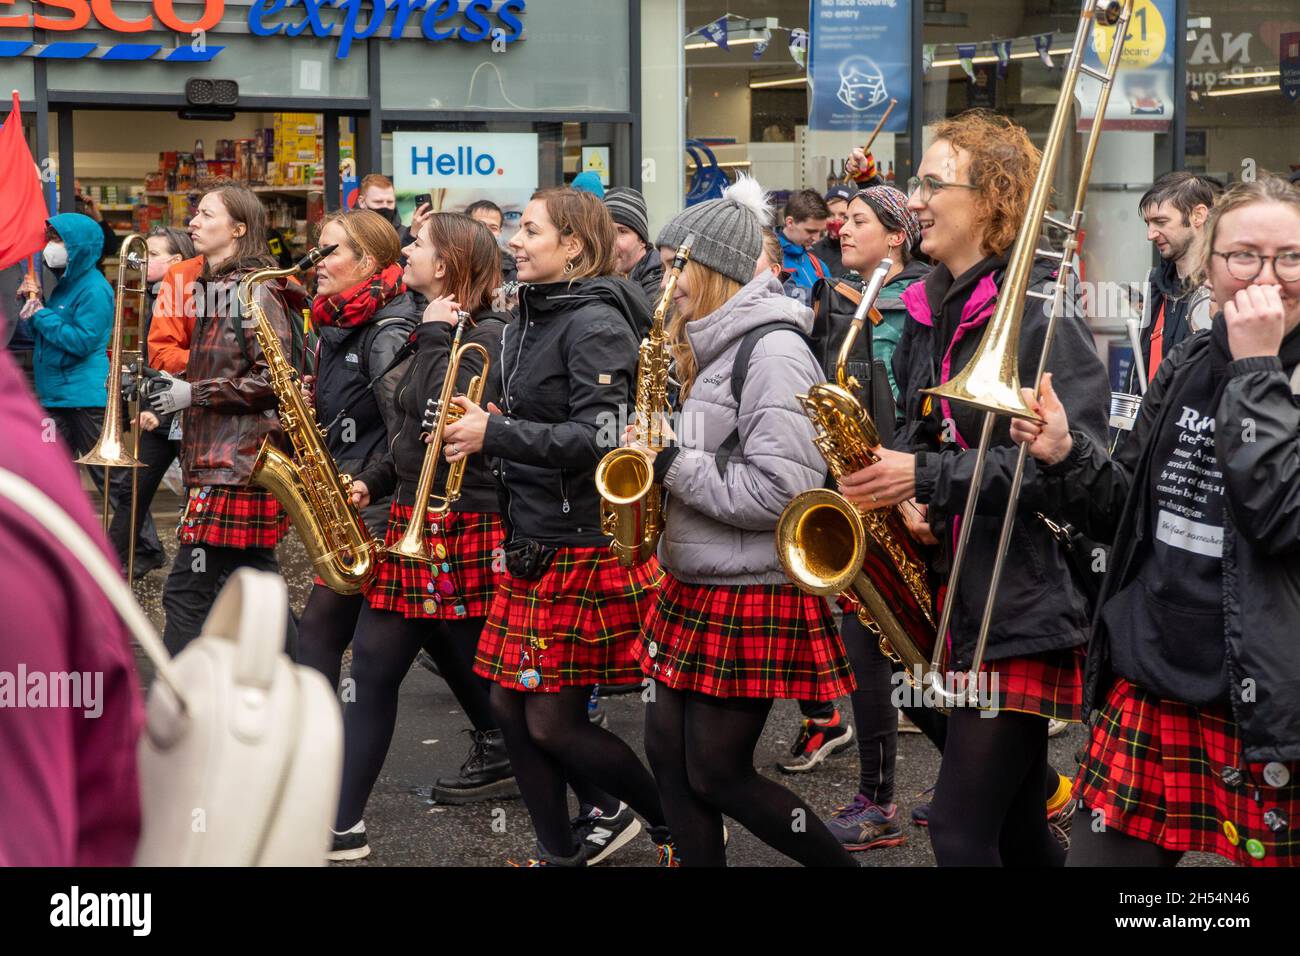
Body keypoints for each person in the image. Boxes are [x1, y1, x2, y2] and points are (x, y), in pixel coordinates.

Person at [841, 109, 1110, 866]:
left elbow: (1072, 467)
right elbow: (928, 429)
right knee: (1017, 824)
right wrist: (912, 489)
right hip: (958, 594)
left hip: (1023, 601)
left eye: (931, 182)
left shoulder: (1039, 314)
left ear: (990, 200)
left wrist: (925, 476)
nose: (913, 197)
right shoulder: (931, 303)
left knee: (959, 830)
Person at [1011, 174, 1300, 867]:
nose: (1267, 275)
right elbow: (1125, 510)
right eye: (1243, 256)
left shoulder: (1263, 367)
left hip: (1269, 696)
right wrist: (1064, 454)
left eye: (1289, 256)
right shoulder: (1191, 359)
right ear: (1209, 264)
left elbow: (1278, 518)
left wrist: (1258, 366)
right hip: (1154, 675)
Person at [628, 175, 856, 868]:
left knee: (719, 773)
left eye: (676, 267)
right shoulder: (710, 345)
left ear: (713, 270)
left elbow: (781, 490)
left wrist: (667, 463)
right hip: (698, 578)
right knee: (668, 753)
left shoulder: (775, 351)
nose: (667, 282)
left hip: (750, 588)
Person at [439, 187, 670, 866]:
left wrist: (496, 432)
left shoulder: (596, 322)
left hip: (580, 545)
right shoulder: (526, 317)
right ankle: (556, 852)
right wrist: (482, 421)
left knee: (552, 720)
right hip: (532, 537)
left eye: (530, 231)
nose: (513, 240)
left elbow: (602, 438)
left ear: (573, 245)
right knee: (510, 712)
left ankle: (666, 822)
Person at [321, 213, 511, 861]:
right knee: (372, 667)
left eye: (420, 245)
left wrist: (433, 340)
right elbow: (403, 430)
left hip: (458, 521)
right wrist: (372, 482)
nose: (407, 250)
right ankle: (342, 825)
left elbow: (435, 424)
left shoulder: (481, 334)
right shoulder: (433, 323)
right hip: (413, 516)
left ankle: (611, 801)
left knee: (505, 689)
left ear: (450, 263)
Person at [143, 182, 307, 656]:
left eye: (206, 215)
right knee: (258, 584)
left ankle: (182, 710)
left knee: (186, 594)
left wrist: (193, 392)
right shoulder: (218, 286)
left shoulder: (253, 290)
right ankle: (308, 689)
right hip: (225, 458)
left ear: (238, 229)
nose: (192, 222)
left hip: (234, 461)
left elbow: (275, 380)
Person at [0, 337, 142, 866]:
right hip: (58, 399)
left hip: (79, 395)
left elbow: (85, 338)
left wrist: (50, 319)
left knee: (123, 497)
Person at [106, 226, 197, 579]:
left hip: (186, 412)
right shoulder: (148, 296)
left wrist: (158, 408)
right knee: (132, 492)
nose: (144, 262)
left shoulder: (194, 297)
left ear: (176, 260)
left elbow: (193, 363)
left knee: (195, 501)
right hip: (155, 412)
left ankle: (199, 578)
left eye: (153, 254)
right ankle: (113, 569)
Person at [17, 214, 114, 473]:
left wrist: (39, 312)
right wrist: (30, 303)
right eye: (49, 238)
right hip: (58, 397)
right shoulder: (66, 285)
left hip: (83, 400)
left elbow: (80, 341)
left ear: (79, 246)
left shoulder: (94, 289)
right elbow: (49, 335)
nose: (51, 246)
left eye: (58, 239)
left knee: (109, 478)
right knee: (53, 473)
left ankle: (130, 516)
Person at [1132, 171, 1222, 389]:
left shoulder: (1225, 285)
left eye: (1161, 222)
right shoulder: (1155, 282)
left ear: (1198, 216)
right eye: (1148, 224)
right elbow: (1141, 368)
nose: (1150, 234)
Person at [604, 186, 663, 310]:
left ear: (642, 240)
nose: (611, 242)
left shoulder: (659, 277)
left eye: (622, 231)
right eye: (605, 231)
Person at [778, 189, 831, 306]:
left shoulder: (818, 266)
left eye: (820, 232)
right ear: (790, 222)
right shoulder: (769, 261)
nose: (816, 238)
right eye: (810, 231)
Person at [465, 199, 518, 287]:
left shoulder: (511, 273)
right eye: (480, 225)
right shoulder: (450, 263)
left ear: (500, 232)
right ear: (465, 227)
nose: (487, 232)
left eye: (493, 228)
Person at [809, 183, 856, 278]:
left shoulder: (862, 251)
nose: (836, 220)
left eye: (843, 215)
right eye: (831, 214)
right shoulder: (813, 253)